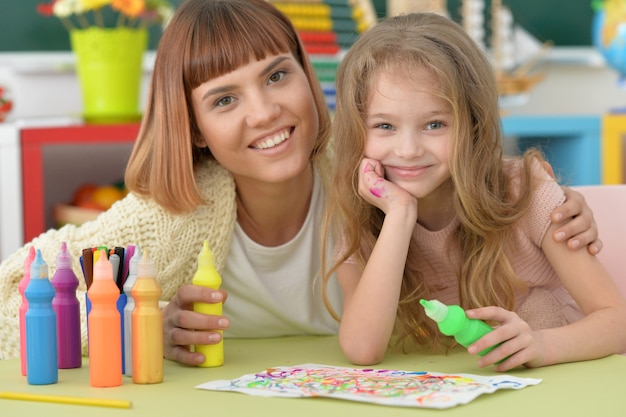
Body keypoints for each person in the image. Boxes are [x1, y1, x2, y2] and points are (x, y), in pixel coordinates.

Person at [0, 0, 601, 364]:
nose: (263, 113)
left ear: (309, 78)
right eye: (225, 98)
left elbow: (472, 164)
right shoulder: (170, 218)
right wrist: (141, 324)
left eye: (278, 75)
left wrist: (558, 196)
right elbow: (16, 294)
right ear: (196, 126)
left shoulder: (368, 162)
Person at [321, 12, 626, 372]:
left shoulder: (522, 190)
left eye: (434, 124)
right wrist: (400, 215)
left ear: (474, 123)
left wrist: (542, 344)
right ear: (356, 129)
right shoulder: (360, 214)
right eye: (384, 125)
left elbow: (616, 322)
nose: (407, 149)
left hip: (556, 380)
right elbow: (362, 348)